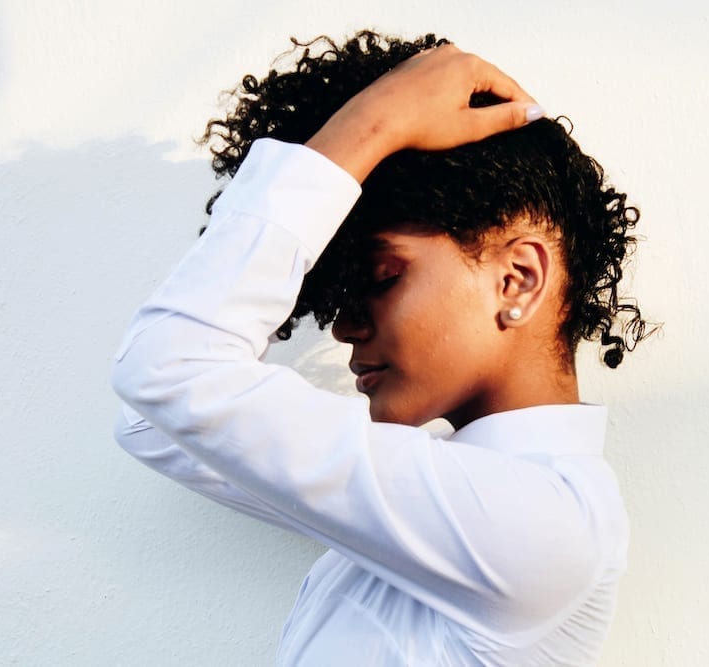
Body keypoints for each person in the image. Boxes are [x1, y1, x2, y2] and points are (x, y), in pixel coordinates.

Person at [111, 31, 652, 666]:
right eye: (335, 291)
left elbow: (170, 370)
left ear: (517, 279)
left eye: (379, 277)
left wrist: (372, 126)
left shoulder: (545, 528)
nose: (343, 327)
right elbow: (155, 422)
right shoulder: (447, 502)